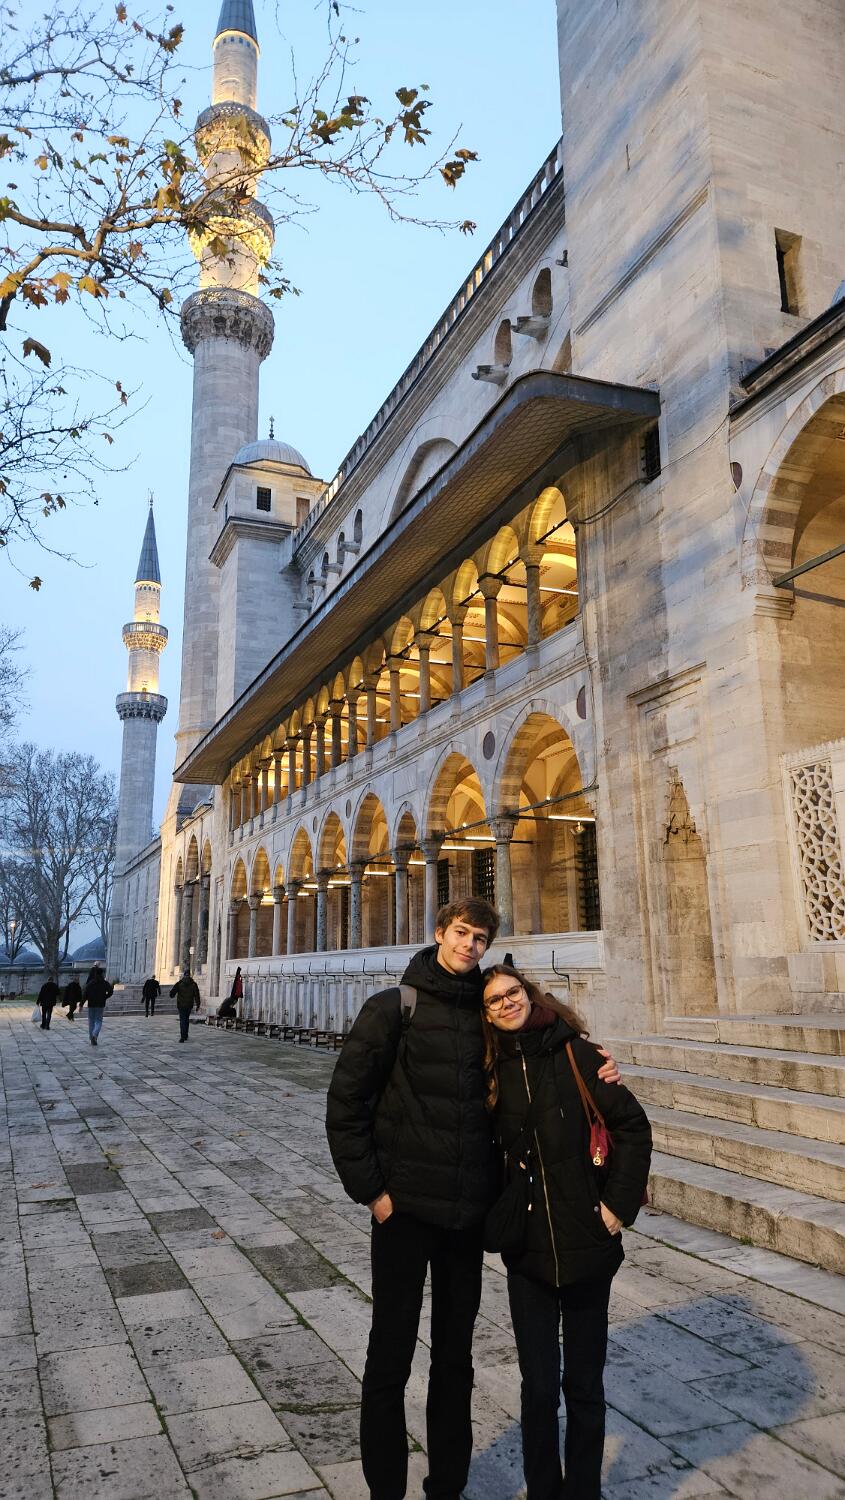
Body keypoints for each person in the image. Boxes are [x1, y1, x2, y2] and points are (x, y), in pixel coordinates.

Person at [326, 899, 622, 1500]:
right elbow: (345, 1105)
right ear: (440, 932)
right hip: (405, 1212)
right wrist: (374, 1194)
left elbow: (538, 1045)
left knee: (454, 1360)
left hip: (466, 1218)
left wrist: (596, 1063)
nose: (469, 945)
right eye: (461, 933)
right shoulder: (393, 1008)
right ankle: (385, 1489)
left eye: (480, 938)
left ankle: (448, 1486)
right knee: (390, 1355)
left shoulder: (487, 1013)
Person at [481, 962, 652, 1500]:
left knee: (583, 1384)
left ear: (529, 994)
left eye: (513, 993)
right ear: (486, 1014)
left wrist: (616, 1208)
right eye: (495, 1000)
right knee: (537, 1387)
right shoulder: (487, 1071)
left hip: (587, 1244)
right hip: (527, 1251)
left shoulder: (578, 1055)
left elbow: (633, 1127)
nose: (507, 1003)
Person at [84, 965, 113, 1046]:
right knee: (98, 1021)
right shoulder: (105, 983)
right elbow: (111, 991)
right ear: (102, 974)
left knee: (91, 1021)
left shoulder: (90, 983)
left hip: (91, 1004)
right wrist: (105, 997)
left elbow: (85, 994)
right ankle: (94, 1035)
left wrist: (81, 1004)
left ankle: (91, 1037)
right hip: (100, 1004)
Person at [170, 968, 200, 1041]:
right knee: (186, 1019)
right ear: (190, 975)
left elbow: (172, 994)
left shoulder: (179, 983)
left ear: (184, 975)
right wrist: (198, 1004)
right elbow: (197, 995)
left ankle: (182, 1036)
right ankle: (185, 1035)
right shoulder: (194, 984)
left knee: (182, 1020)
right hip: (189, 1005)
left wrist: (173, 992)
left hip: (181, 1005)